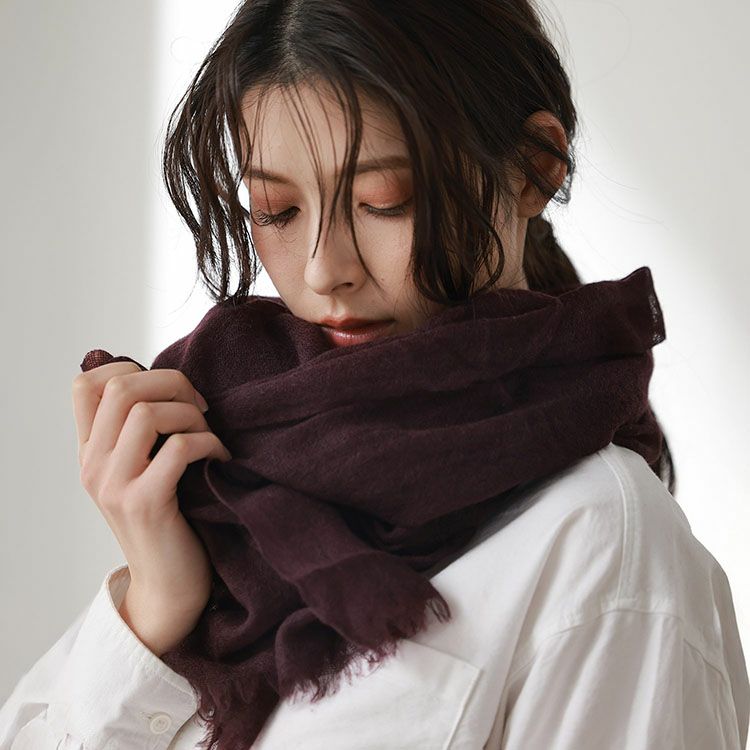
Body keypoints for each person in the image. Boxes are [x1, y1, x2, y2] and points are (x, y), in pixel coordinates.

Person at [2, 0, 748, 748]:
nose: (324, 270)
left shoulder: (601, 548)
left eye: (384, 202)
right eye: (277, 210)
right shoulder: (224, 474)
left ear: (535, 167)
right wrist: (155, 607)